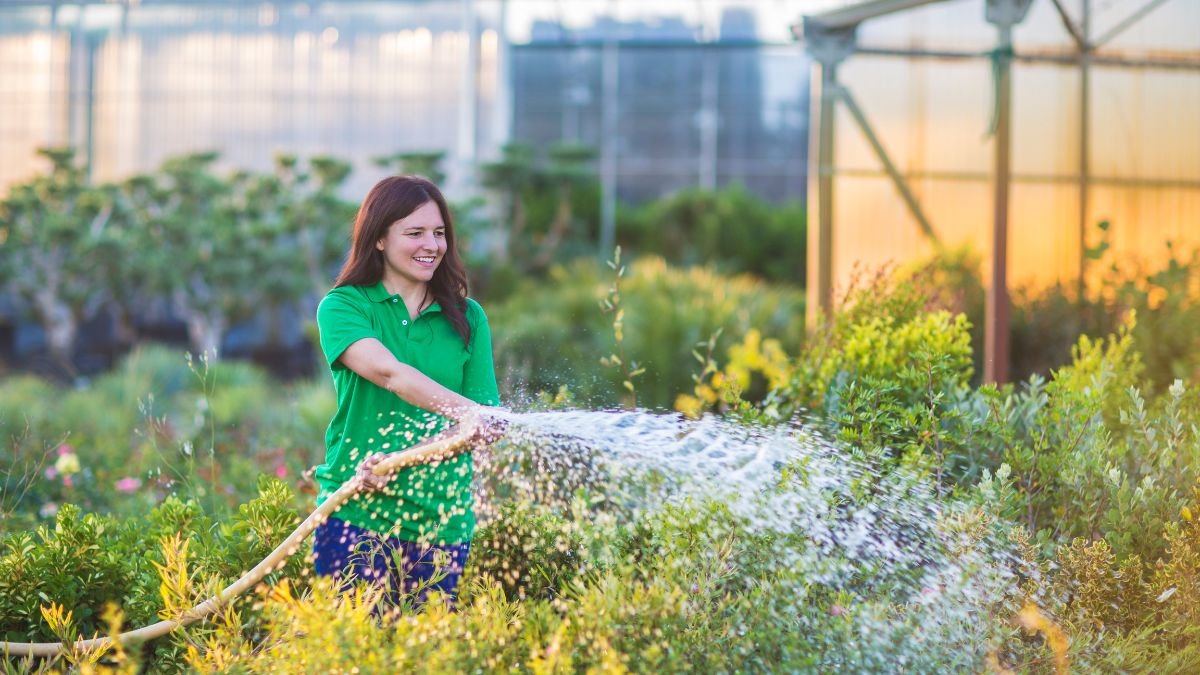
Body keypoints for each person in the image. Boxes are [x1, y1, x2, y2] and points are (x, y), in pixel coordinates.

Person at [311, 175, 504, 612]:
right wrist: (474, 414)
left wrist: (402, 459)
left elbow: (477, 424)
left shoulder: (468, 317)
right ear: (378, 238)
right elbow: (389, 373)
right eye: (414, 233)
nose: (431, 245)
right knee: (353, 654)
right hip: (357, 514)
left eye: (439, 233)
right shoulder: (344, 307)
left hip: (443, 523)